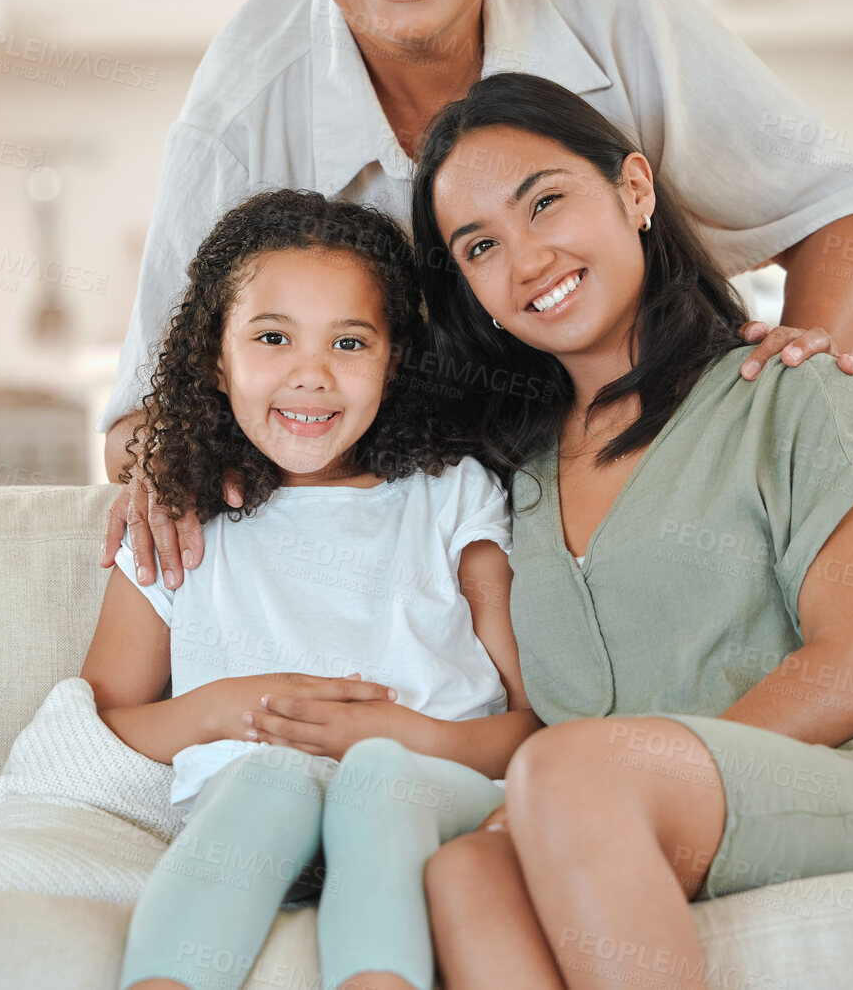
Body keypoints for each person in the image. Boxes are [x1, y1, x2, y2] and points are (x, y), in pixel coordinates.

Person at [98, 0, 853, 592]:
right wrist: (180, 472)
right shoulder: (238, 110)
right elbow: (138, 421)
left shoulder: (614, 0)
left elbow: (841, 216)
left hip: (653, 477)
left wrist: (781, 419)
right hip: (418, 542)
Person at [249, 70, 853, 990]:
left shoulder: (789, 390)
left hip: (825, 787)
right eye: (480, 245)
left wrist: (630, 775)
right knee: (466, 868)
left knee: (568, 770)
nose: (528, 259)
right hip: (591, 809)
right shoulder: (509, 472)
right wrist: (179, 471)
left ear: (633, 189)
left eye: (546, 202)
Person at [80, 188, 538, 990]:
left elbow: (531, 719)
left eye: (350, 342)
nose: (311, 375)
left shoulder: (449, 494)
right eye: (271, 337)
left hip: (427, 786)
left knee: (378, 778)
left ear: (394, 359)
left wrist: (401, 735)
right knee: (267, 777)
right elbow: (102, 724)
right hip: (256, 803)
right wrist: (227, 706)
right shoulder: (179, 514)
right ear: (216, 359)